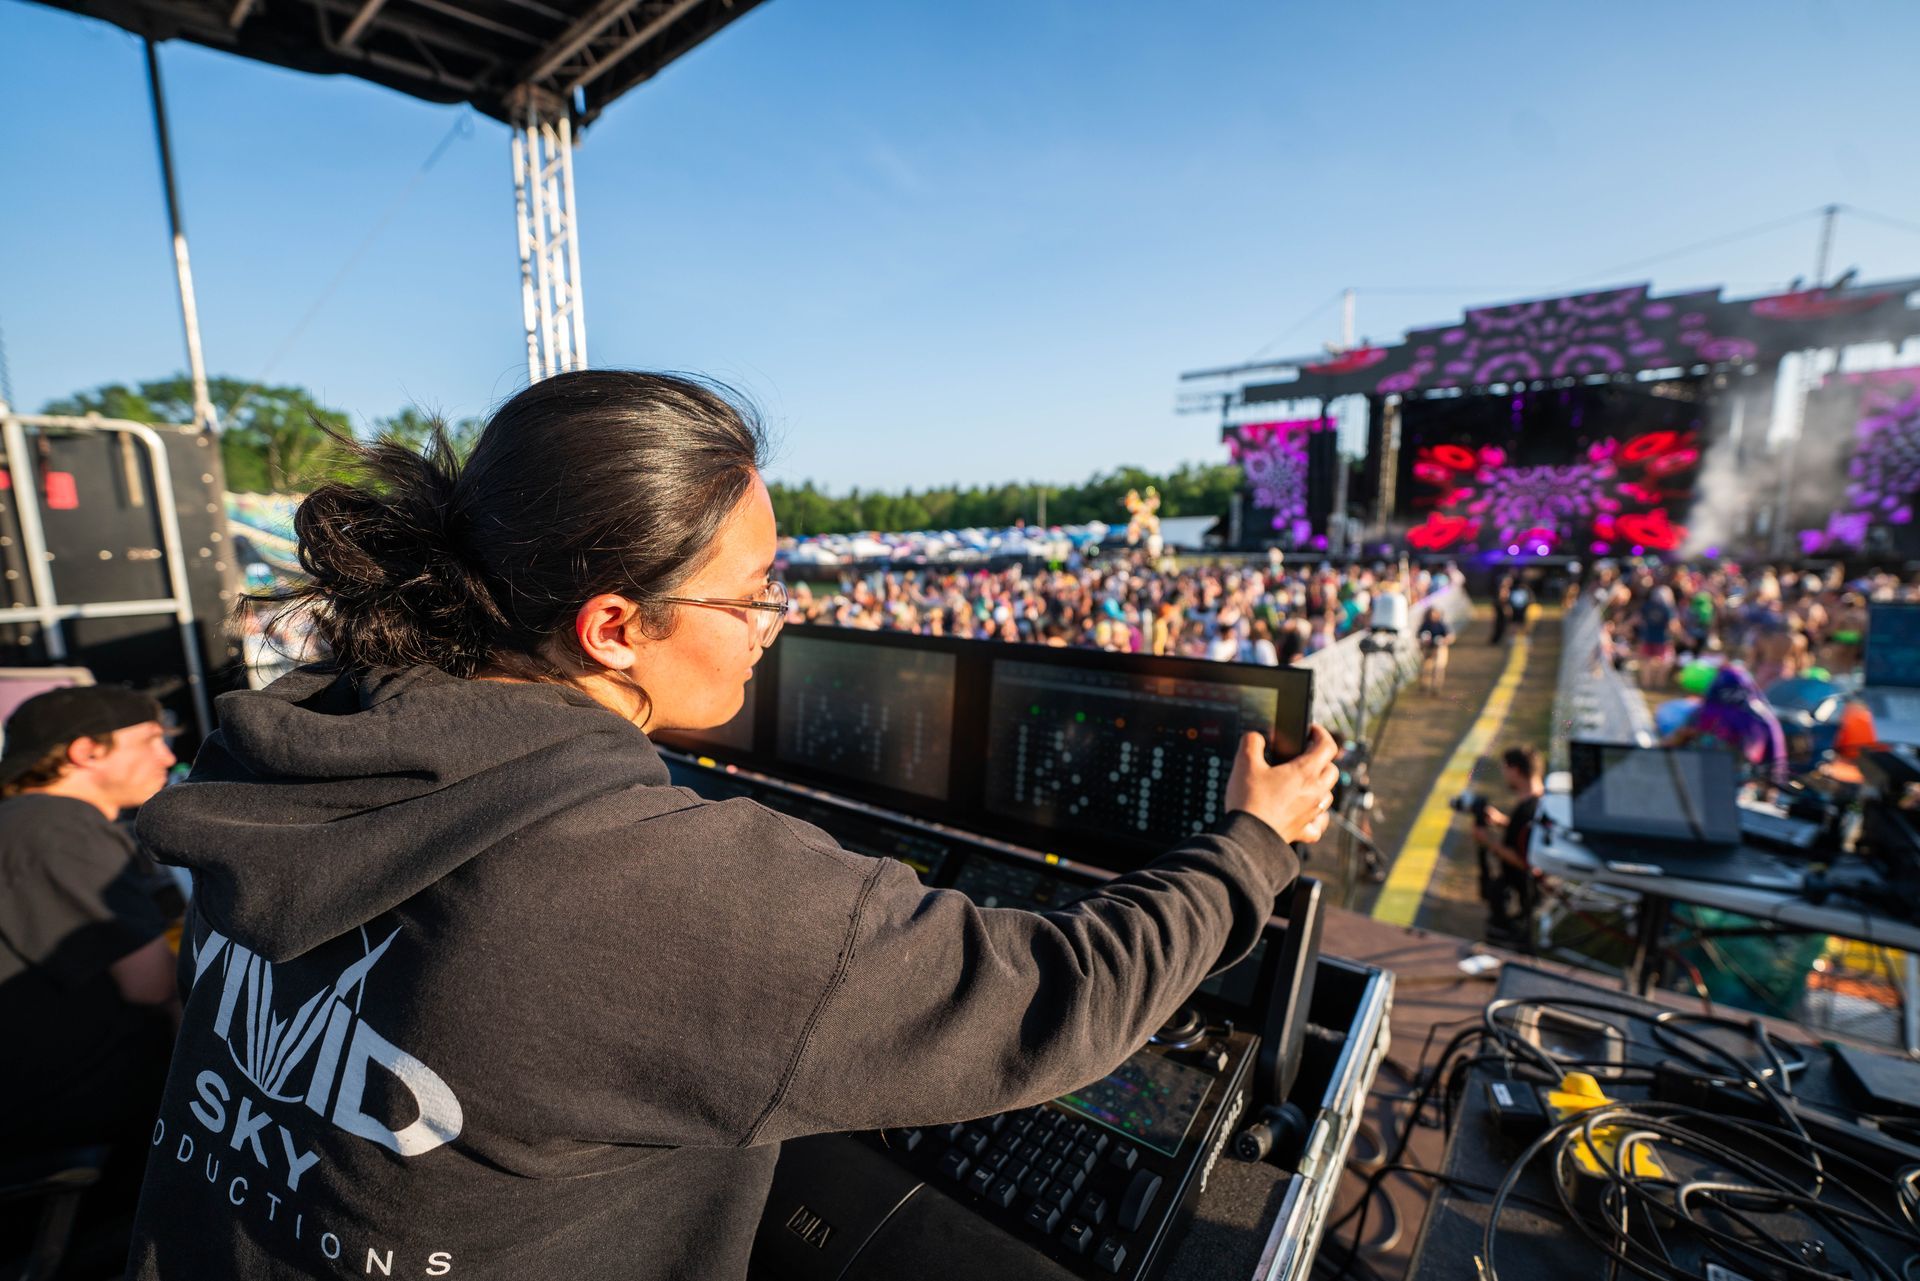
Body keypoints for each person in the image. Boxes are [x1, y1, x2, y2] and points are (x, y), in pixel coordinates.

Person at [124, 371, 1340, 1280]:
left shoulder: (286, 744)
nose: (773, 623)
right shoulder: (655, 886)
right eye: (753, 594)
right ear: (613, 627)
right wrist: (1251, 843)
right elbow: (1059, 995)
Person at [0, 686, 181, 1270]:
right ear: (85, 752)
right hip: (79, 1125)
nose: (168, 758)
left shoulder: (25, 822)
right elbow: (152, 983)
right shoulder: (61, 827)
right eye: (152, 740)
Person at [1472, 746, 1545, 947]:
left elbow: (1525, 862)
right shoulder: (1541, 803)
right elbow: (1528, 834)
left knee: (1508, 943)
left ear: (1514, 770)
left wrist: (1488, 841)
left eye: (1504, 769)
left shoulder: (1528, 811)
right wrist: (1502, 821)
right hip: (1524, 896)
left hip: (1518, 900)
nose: (1504, 775)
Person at [1417, 605, 1453, 695]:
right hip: (1428, 649)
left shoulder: (1442, 625)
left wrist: (1444, 640)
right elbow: (1419, 635)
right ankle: (1424, 686)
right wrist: (1423, 641)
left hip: (1439, 649)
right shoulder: (1425, 624)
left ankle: (1436, 688)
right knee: (1426, 668)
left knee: (1438, 668)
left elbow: (1450, 636)